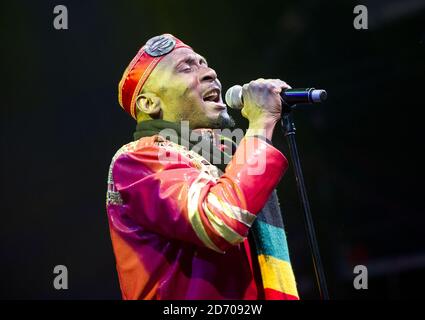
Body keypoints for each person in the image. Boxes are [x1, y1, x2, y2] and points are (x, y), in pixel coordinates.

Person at [106, 34, 299, 300]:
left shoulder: (228, 157)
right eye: (186, 67)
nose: (210, 73)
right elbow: (220, 221)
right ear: (149, 103)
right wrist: (262, 122)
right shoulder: (137, 161)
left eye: (203, 63)